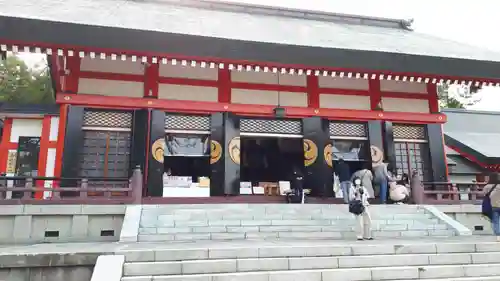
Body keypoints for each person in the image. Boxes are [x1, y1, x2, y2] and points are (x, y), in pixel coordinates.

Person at [484, 173, 500, 241]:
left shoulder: (487, 186)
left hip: (493, 206)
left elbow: (484, 195)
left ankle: (498, 234)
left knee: (495, 221)